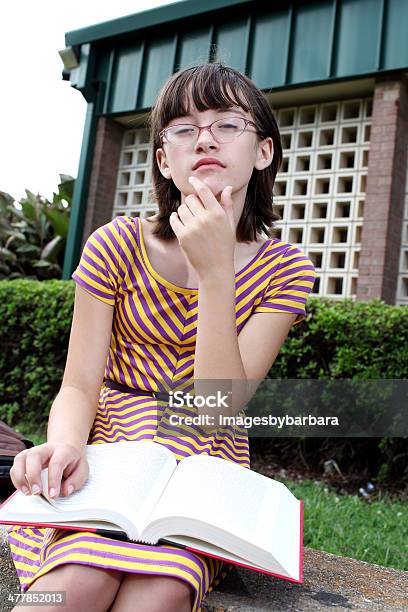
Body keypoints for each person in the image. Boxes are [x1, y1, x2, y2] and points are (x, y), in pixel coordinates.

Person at [7, 61, 316, 612]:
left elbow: (218, 407)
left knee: (160, 593)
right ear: (163, 161)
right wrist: (68, 443)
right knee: (72, 586)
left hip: (200, 467)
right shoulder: (115, 245)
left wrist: (217, 274)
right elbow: (79, 384)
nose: (205, 138)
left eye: (227, 124)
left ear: (263, 152)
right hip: (107, 455)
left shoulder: (285, 269)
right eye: (183, 128)